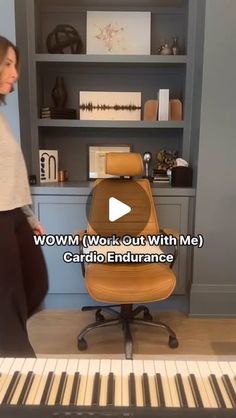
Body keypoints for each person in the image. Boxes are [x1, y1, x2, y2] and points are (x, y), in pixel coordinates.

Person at [0, 35, 48, 357]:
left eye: (14, 65)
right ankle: (20, 369)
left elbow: (9, 174)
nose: (14, 72)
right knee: (8, 299)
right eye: (7, 63)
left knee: (35, 282)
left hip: (12, 212)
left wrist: (27, 216)